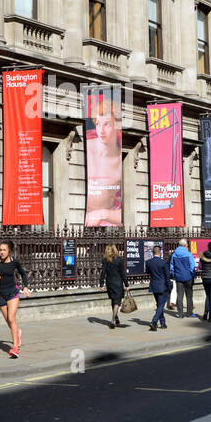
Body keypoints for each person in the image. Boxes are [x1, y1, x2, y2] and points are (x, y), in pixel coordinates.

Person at [0, 239, 31, 357]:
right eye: (0, 250)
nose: (2, 252)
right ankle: (17, 333)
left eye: (4, 250)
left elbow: (23, 274)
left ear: (9, 251)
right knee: (9, 321)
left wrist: (25, 287)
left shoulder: (14, 262)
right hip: (0, 295)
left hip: (12, 293)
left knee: (11, 318)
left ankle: (15, 348)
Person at [84, 98, 123, 227]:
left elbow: (127, 209)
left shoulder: (120, 160)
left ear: (117, 126)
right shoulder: (86, 148)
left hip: (106, 225)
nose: (100, 131)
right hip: (82, 222)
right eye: (98, 123)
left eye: (107, 124)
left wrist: (102, 214)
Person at [99, 244, 129, 327]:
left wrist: (101, 284)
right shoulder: (119, 260)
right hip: (118, 283)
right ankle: (113, 320)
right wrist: (126, 285)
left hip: (109, 283)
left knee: (113, 300)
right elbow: (122, 273)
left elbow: (103, 273)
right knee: (117, 301)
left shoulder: (105, 260)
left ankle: (116, 317)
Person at [169, 238, 197, 318]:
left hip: (178, 277)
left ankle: (180, 314)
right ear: (185, 246)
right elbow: (192, 266)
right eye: (187, 245)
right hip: (188, 277)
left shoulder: (174, 254)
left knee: (179, 295)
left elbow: (172, 267)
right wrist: (192, 275)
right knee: (189, 296)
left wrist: (175, 274)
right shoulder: (188, 254)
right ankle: (189, 313)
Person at [146, 246, 170, 331]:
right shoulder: (163, 263)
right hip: (162, 286)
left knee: (159, 305)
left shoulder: (148, 262)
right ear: (160, 252)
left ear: (153, 252)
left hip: (154, 286)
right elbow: (167, 277)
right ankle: (154, 321)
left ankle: (163, 323)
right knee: (161, 305)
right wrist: (169, 287)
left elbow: (147, 272)